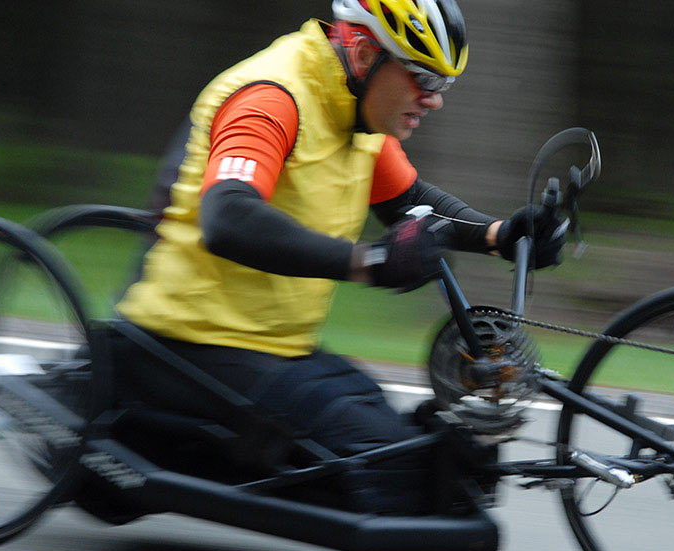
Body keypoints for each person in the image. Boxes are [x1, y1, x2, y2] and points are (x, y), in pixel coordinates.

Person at [112, 0, 566, 514]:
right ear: (364, 52)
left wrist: (502, 234)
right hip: (191, 343)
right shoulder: (271, 96)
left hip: (279, 347)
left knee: (430, 462)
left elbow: (410, 201)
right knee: (397, 476)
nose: (434, 100)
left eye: (443, 85)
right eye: (422, 78)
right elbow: (229, 218)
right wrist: (370, 261)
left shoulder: (358, 110)